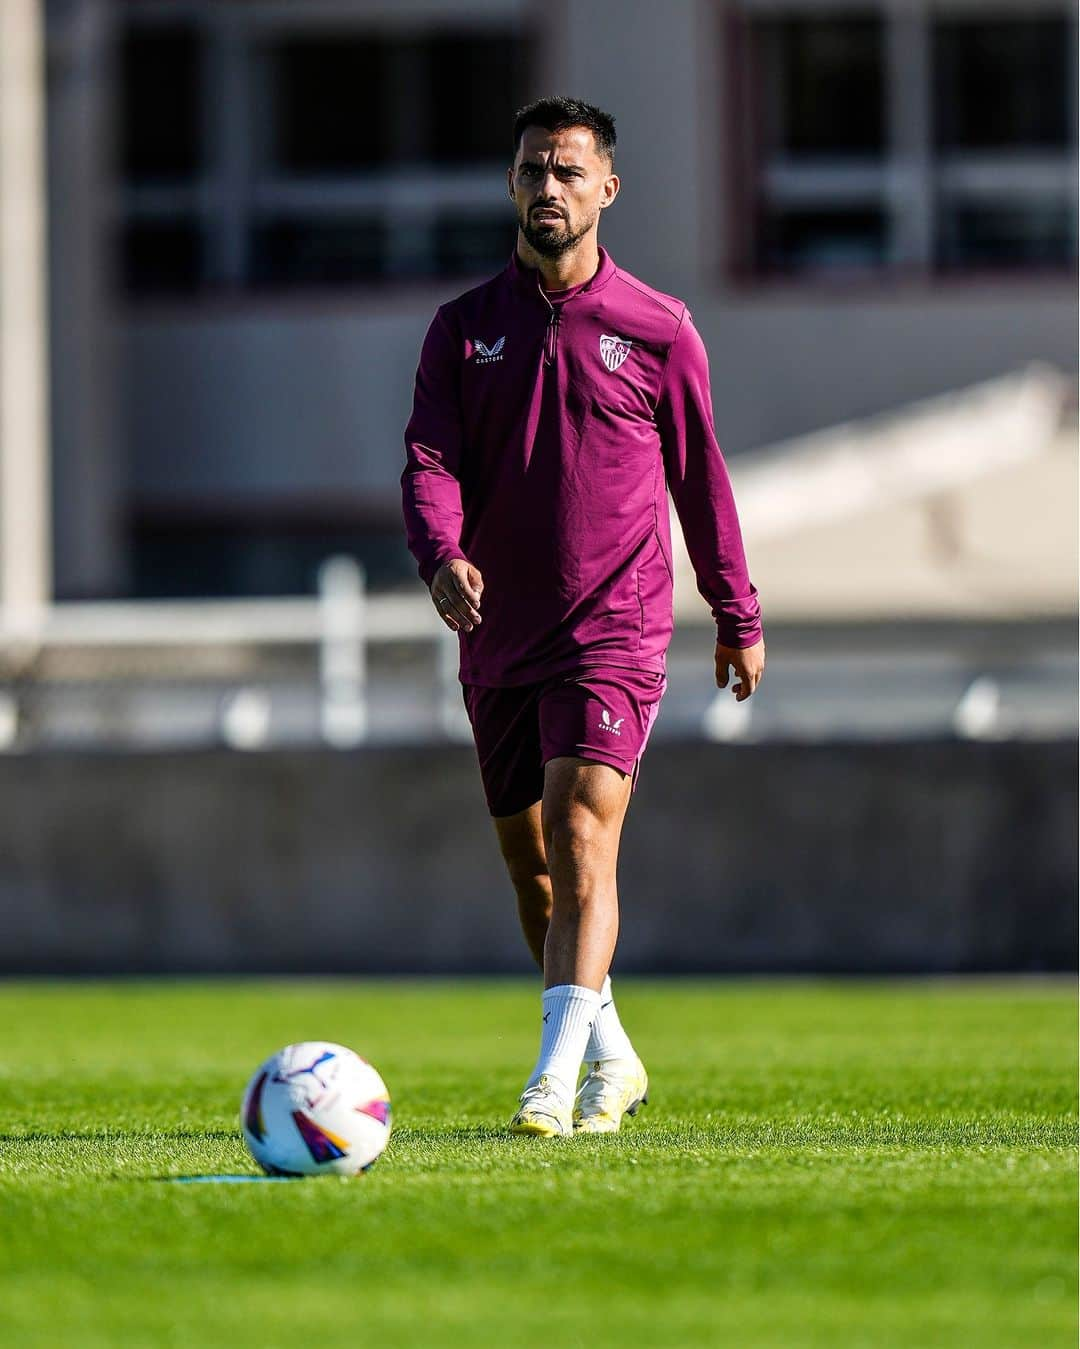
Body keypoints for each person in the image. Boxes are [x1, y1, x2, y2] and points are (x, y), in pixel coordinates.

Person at [401, 96, 764, 1137]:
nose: (547, 188)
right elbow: (429, 462)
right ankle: (613, 1055)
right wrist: (443, 555)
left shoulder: (658, 329)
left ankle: (550, 1088)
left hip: (617, 626)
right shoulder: (463, 330)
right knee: (536, 869)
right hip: (499, 631)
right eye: (531, 171)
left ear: (606, 188)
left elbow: (702, 479)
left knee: (581, 829)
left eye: (567, 172)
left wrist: (735, 610)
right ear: (512, 185)